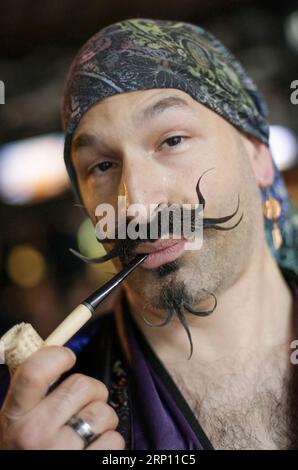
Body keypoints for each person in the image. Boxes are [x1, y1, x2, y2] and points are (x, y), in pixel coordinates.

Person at [0, 18, 298, 450]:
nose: (135, 205)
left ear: (257, 154)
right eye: (101, 166)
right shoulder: (41, 417)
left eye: (172, 140)